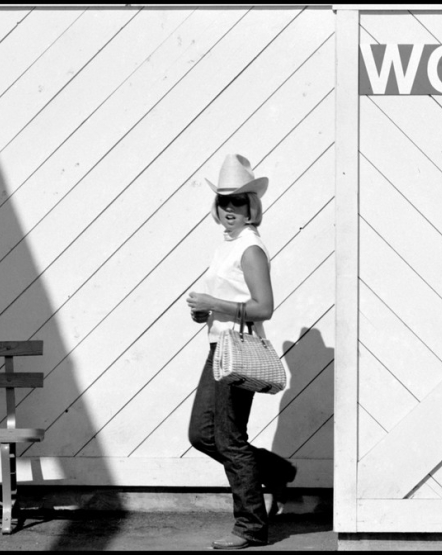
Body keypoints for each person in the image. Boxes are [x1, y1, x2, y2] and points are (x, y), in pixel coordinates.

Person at [186, 154, 297, 550]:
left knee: (229, 439)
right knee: (202, 435)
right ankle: (272, 469)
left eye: (238, 202)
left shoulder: (250, 247)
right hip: (219, 347)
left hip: (237, 352)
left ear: (252, 207)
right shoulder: (226, 247)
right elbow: (229, 302)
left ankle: (250, 527)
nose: (229, 210)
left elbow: (263, 307)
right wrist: (205, 312)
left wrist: (215, 304)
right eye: (223, 202)